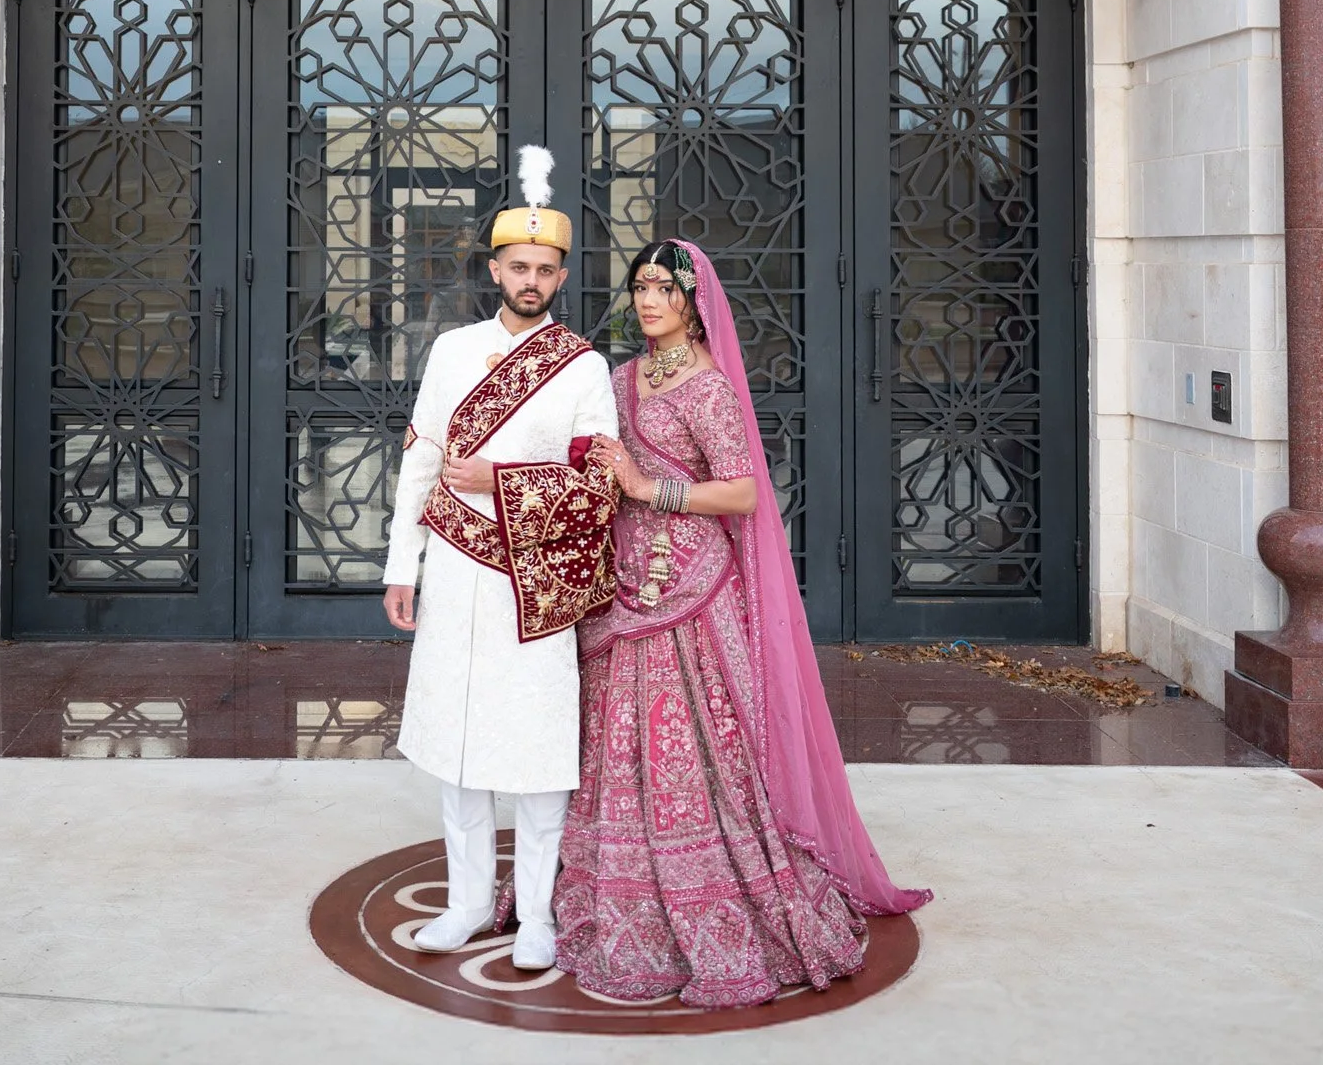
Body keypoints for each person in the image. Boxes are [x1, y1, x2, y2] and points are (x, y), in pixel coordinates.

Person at [554, 237, 932, 1010]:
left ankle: (714, 894)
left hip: (691, 592)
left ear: (694, 302)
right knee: (616, 741)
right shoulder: (620, 378)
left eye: (665, 288)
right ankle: (617, 889)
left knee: (692, 749)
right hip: (627, 586)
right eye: (640, 286)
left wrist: (647, 488)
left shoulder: (710, 390)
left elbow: (742, 494)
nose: (649, 300)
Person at [383, 148, 619, 971]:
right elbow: (421, 459)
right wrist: (401, 565)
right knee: (457, 744)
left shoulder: (583, 365)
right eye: (518, 266)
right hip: (453, 569)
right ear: (494, 269)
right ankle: (468, 904)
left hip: (538, 583)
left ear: (561, 277)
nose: (531, 280)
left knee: (539, 749)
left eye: (545, 270)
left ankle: (539, 918)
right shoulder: (452, 350)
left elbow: (599, 485)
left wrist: (501, 478)